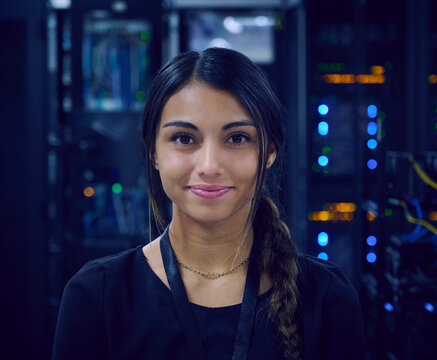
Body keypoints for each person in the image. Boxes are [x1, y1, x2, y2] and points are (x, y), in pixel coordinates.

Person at [52, 47, 364, 360]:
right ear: (153, 152)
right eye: (184, 139)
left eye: (237, 138)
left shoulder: (326, 299)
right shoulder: (97, 296)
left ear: (269, 152)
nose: (210, 166)